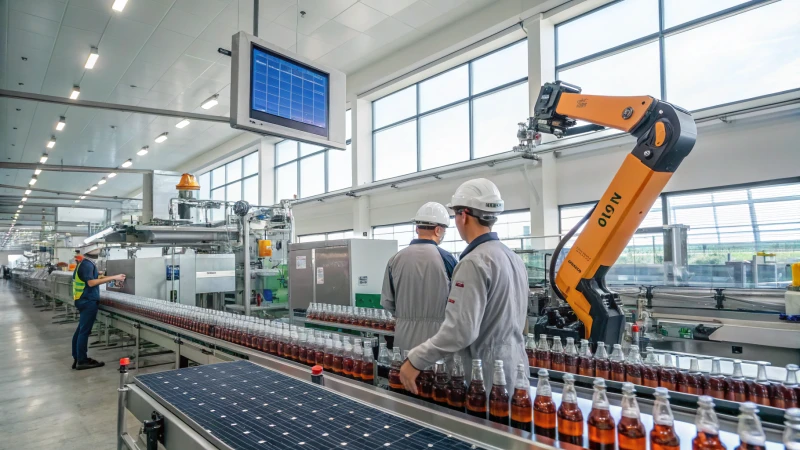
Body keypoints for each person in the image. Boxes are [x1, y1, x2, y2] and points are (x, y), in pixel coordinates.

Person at [399, 178, 529, 391]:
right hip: (516, 367)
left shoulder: (474, 262)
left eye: (455, 214)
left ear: (464, 215)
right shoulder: (512, 257)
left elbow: (460, 331)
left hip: (484, 374)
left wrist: (416, 359)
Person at [381, 202, 457, 353]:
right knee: (435, 375)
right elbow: (459, 302)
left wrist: (406, 316)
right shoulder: (447, 259)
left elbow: (387, 302)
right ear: (438, 230)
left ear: (417, 228)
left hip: (403, 337)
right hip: (438, 338)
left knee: (405, 374)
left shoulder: (395, 259)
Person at [71, 250, 125, 370]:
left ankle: (77, 357)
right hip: (87, 301)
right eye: (98, 248)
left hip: (82, 299)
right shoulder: (87, 264)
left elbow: (93, 277)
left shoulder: (84, 263)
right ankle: (82, 360)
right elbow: (91, 283)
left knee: (80, 330)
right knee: (84, 331)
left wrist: (107, 276)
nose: (101, 250)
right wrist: (115, 277)